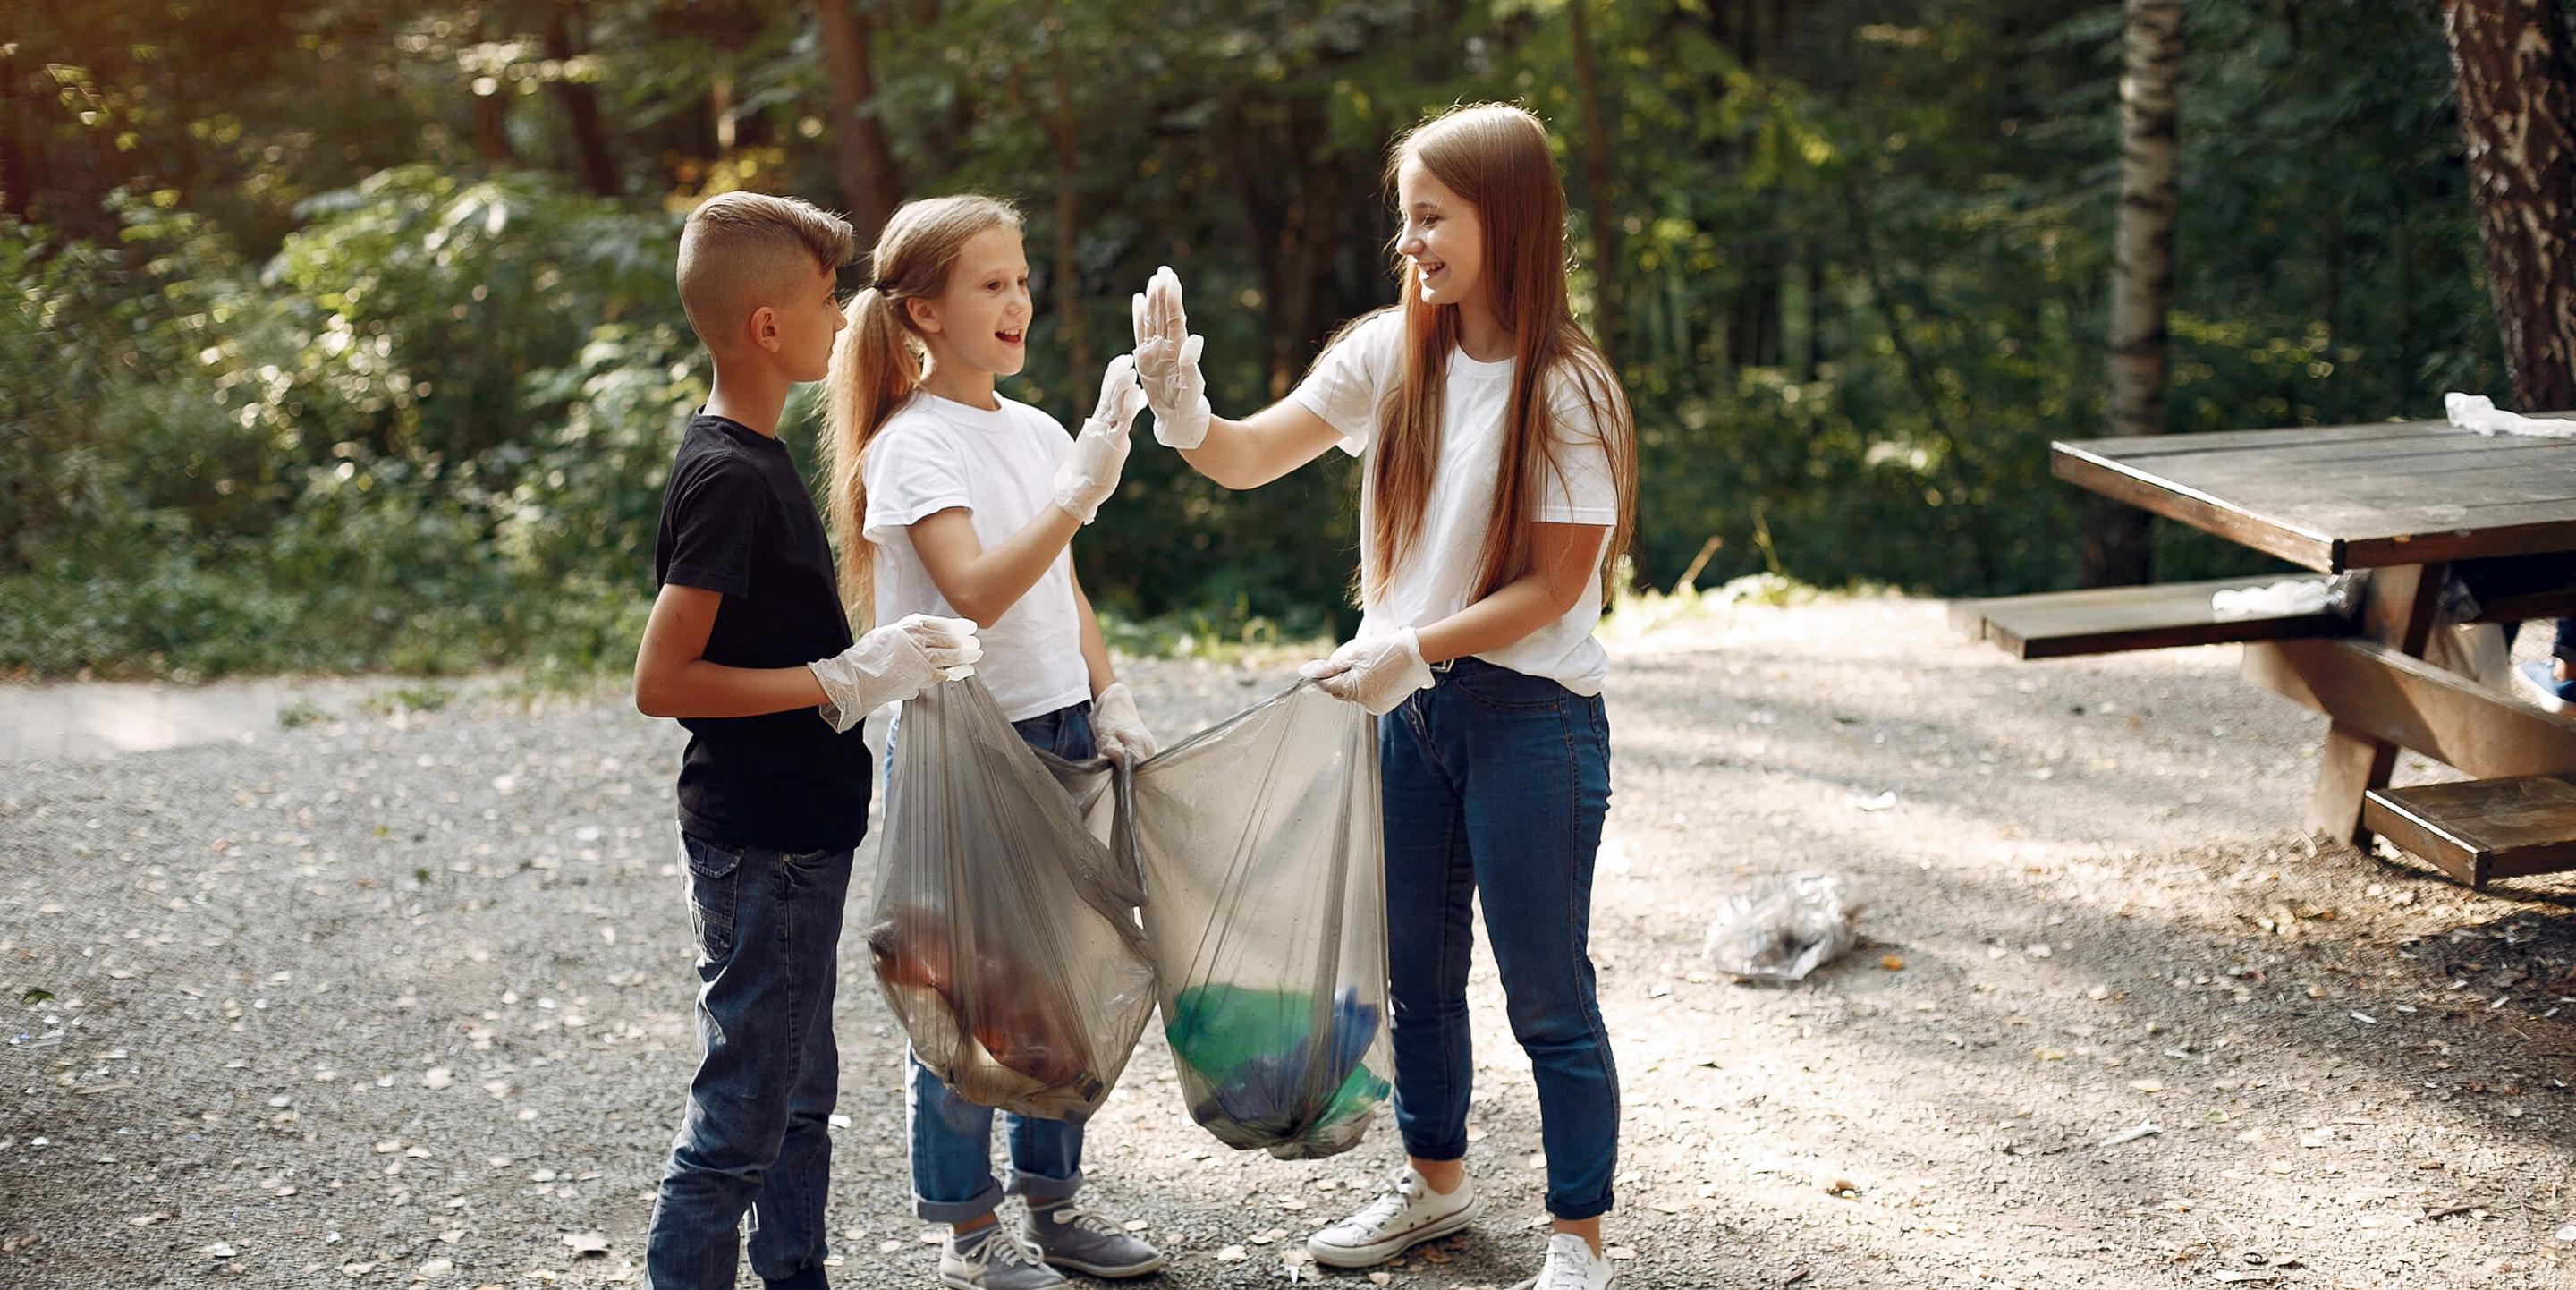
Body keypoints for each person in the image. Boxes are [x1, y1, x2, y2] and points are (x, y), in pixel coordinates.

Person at [1131, 103, 1636, 1290]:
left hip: (1533, 721)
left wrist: (1414, 647)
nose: (1409, 243)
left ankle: (1580, 1239)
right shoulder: (1389, 353)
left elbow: (1558, 583)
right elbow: (1249, 454)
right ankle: (1437, 1189)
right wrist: (1181, 404)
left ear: (1505, 220)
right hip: (1410, 719)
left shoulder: (1569, 388)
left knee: (1548, 990)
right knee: (1416, 979)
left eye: (1431, 218)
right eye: (1403, 219)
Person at [633, 190, 980, 1290]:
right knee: (744, 1109)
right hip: (765, 838)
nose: (846, 319)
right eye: (829, 300)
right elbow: (664, 679)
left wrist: (876, 661)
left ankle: (797, 1273)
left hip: (801, 834)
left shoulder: (760, 455)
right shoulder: (728, 474)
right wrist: (841, 678)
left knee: (799, 1094)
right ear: (768, 328)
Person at [818, 192, 1165, 1290]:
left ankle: (1055, 1205)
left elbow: (1063, 588)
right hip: (969, 748)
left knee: (1067, 977)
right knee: (971, 988)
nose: (1016, 300)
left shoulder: (1040, 430)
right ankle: (968, 1232)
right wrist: (1075, 496)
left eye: (1021, 279)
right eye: (989, 283)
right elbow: (971, 594)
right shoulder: (911, 446)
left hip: (1062, 730)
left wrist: (1109, 692)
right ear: (922, 310)